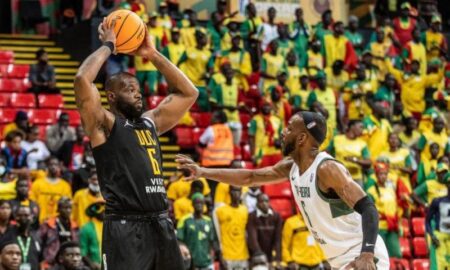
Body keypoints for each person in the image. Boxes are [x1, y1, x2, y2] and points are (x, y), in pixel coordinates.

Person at [177, 111, 390, 269]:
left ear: (301, 138)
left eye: (289, 128)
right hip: (341, 259)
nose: (282, 132)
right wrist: (202, 171)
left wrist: (367, 254)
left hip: (362, 256)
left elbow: (369, 208)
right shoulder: (292, 167)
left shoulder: (327, 168)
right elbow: (250, 177)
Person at [73, 19, 198, 269]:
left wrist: (151, 53)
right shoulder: (104, 124)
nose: (137, 93)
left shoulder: (151, 121)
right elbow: (82, 80)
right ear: (111, 96)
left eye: (138, 89)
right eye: (129, 89)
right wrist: (109, 44)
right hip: (125, 225)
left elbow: (189, 93)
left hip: (161, 222)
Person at [366, 162, 402, 258]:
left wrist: (398, 223)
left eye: (385, 174)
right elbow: (369, 210)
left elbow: (395, 208)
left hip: (392, 226)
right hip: (380, 227)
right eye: (381, 174)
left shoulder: (391, 190)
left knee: (396, 254)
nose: (383, 176)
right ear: (377, 175)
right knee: (380, 255)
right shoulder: (371, 191)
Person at [177, 193, 220, 270]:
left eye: (201, 202)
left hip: (207, 264)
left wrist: (216, 258)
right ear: (192, 204)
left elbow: (213, 241)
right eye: (196, 202)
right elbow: (179, 240)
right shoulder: (185, 220)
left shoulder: (208, 221)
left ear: (204, 204)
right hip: (191, 265)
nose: (199, 205)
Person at [213, 186, 249, 269]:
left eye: (238, 191)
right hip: (227, 256)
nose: (236, 194)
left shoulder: (245, 210)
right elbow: (216, 233)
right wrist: (220, 255)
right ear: (229, 192)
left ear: (241, 193)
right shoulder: (220, 211)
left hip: (243, 256)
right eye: (233, 191)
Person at [328, 120, 371, 186]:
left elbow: (368, 162)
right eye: (361, 127)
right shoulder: (337, 139)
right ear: (352, 126)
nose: (362, 130)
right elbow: (326, 153)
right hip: (338, 176)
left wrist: (355, 160)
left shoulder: (362, 144)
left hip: (355, 179)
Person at [30, 156, 72, 223]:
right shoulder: (37, 183)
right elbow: (32, 202)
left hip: (57, 223)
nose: (53, 167)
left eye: (55, 164)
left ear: (59, 167)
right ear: (47, 166)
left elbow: (67, 204)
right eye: (51, 164)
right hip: (39, 221)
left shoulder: (65, 186)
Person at [246, 193, 282, 269]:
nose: (264, 204)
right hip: (257, 256)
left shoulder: (276, 216)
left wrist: (277, 258)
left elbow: (278, 239)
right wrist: (261, 257)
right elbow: (252, 240)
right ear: (257, 204)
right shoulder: (252, 216)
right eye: (261, 201)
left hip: (271, 254)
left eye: (266, 201)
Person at [39, 197, 78, 267]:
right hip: (52, 261)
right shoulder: (49, 224)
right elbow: (40, 242)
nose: (68, 210)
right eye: (65, 208)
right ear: (59, 209)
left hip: (69, 261)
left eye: (70, 208)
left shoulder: (74, 226)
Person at [426, 173, 450, 270]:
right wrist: (432, 236)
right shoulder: (437, 201)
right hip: (439, 238)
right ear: (447, 185)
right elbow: (427, 222)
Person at [248, 101, 283, 167]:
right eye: (264, 105)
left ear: (271, 107)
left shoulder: (277, 120)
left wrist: (280, 144)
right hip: (261, 152)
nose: (266, 108)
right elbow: (251, 138)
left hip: (275, 151)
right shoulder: (255, 120)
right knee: (262, 174)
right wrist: (252, 155)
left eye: (268, 105)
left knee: (278, 175)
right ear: (261, 107)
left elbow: (282, 136)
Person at [12, 205, 41, 270]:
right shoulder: (9, 236)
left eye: (26, 215)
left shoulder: (36, 237)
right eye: (20, 215)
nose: (23, 218)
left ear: (31, 217)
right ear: (16, 217)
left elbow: (41, 260)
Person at [79, 201, 105, 270]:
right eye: (99, 208)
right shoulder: (86, 228)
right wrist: (92, 264)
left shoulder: (110, 227)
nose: (103, 210)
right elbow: (83, 251)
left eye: (105, 207)